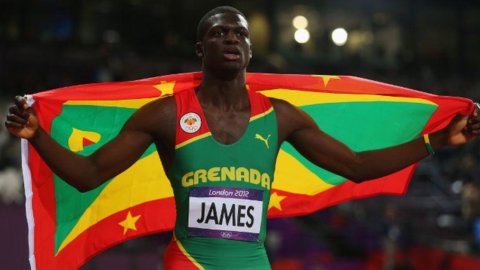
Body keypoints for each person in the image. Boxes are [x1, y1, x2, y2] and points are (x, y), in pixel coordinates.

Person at [4, 6, 480, 270]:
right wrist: (37, 135)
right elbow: (88, 175)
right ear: (200, 48)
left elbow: (354, 166)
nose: (230, 38)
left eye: (240, 33)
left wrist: (434, 141)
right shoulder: (167, 114)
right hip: (189, 262)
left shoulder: (281, 117)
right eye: (218, 32)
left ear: (250, 49)